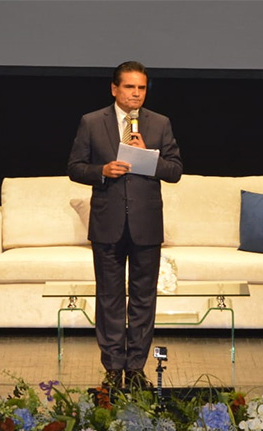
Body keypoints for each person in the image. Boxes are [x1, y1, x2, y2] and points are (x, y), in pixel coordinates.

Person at [67, 61, 183, 389]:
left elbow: (175, 170)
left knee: (144, 299)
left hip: (146, 225)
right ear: (114, 89)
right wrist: (102, 171)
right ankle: (112, 365)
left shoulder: (160, 123)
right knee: (110, 298)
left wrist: (150, 157)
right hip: (108, 223)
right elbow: (75, 167)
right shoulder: (92, 122)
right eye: (130, 87)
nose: (136, 94)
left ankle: (135, 367)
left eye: (141, 88)